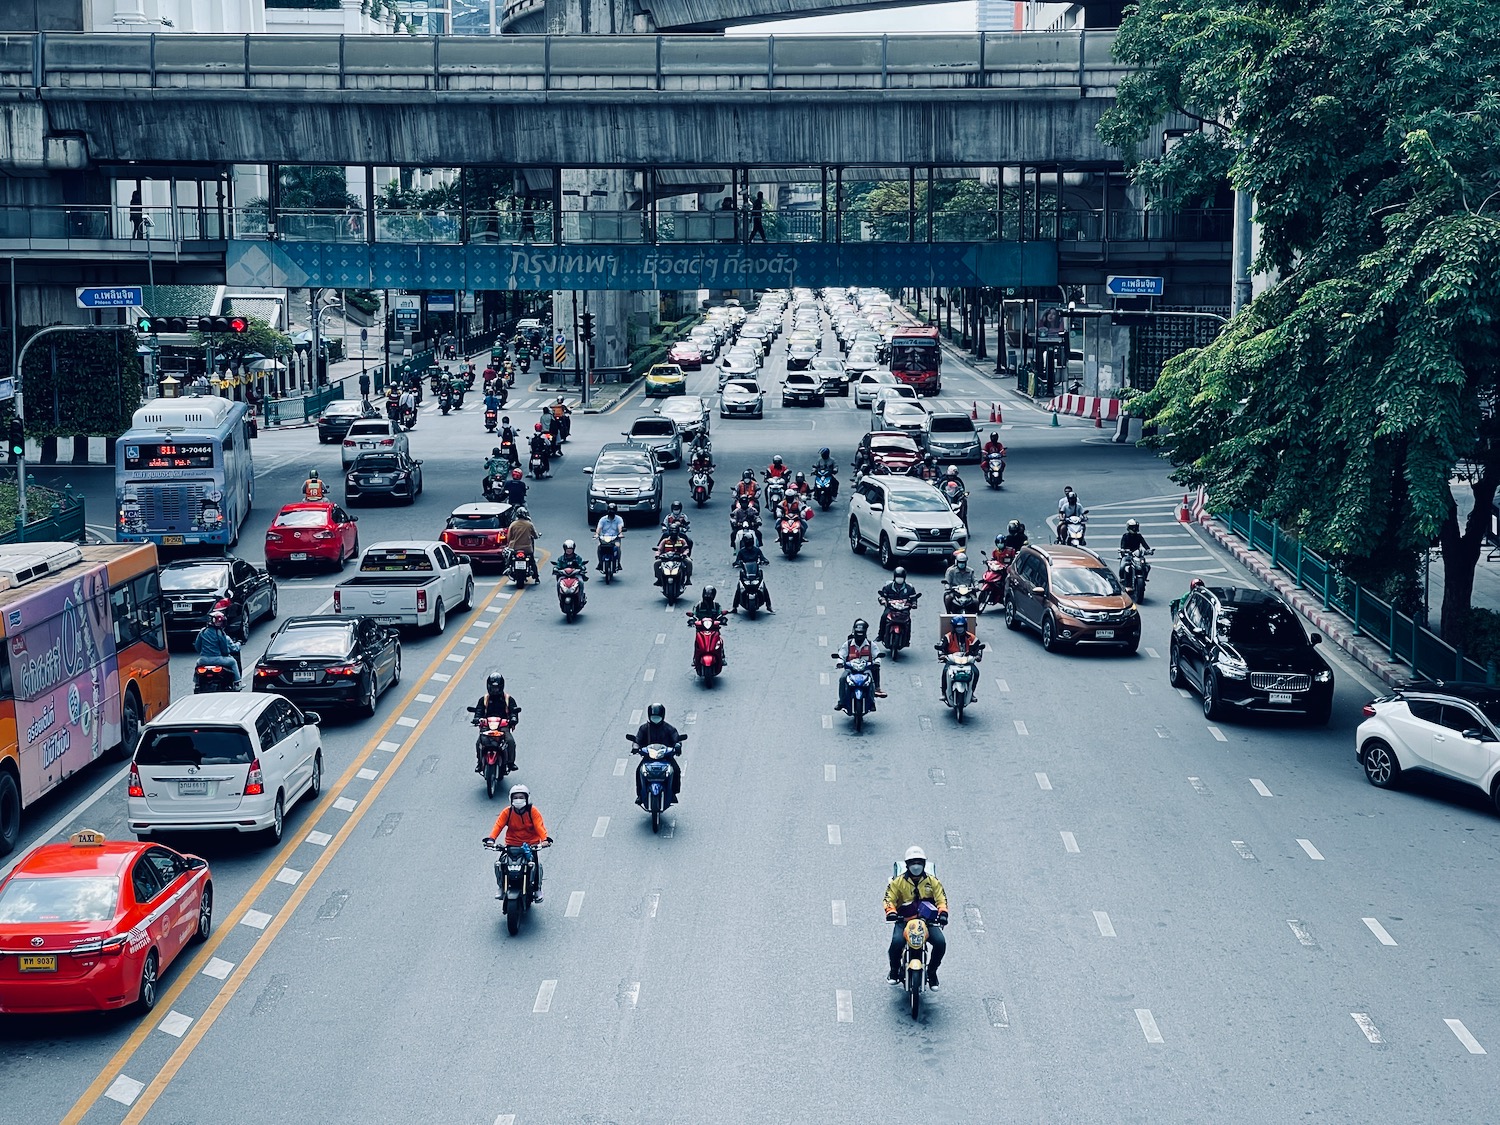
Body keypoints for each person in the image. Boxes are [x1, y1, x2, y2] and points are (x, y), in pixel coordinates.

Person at [884, 846, 948, 987]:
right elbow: (889, 899)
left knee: (940, 943)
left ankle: (932, 972)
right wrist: (891, 912)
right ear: (907, 865)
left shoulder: (933, 882)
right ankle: (894, 970)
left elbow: (941, 899)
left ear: (924, 864)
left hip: (928, 922)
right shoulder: (898, 882)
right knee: (896, 944)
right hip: (904, 921)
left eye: (919, 862)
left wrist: (943, 913)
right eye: (913, 863)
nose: (916, 866)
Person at [484, 784, 549, 903]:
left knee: (534, 865)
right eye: (516, 797)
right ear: (511, 799)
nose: (518, 800)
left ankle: (537, 889)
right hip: (511, 845)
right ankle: (501, 887)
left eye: (521, 797)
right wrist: (491, 839)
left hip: (530, 846)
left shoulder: (533, 811)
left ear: (527, 798)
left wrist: (545, 840)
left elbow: (539, 826)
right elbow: (498, 825)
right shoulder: (507, 812)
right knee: (500, 864)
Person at [633, 703, 684, 803]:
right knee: (638, 771)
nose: (655, 719)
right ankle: (640, 795)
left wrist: (677, 746)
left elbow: (676, 739)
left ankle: (673, 793)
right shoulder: (644, 728)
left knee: (676, 770)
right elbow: (637, 740)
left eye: (657, 717)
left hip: (666, 757)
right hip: (649, 757)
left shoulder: (669, 728)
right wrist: (635, 748)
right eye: (653, 717)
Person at [471, 671, 521, 773]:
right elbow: (479, 711)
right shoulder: (484, 699)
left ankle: (511, 763)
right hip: (487, 726)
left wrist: (513, 719)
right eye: (493, 687)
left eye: (496, 688)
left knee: (510, 741)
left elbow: (513, 711)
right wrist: (477, 718)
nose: (495, 690)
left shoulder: (508, 699)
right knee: (479, 742)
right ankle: (480, 763)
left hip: (503, 726)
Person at [833, 619, 883, 713]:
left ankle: (872, 702)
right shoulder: (847, 644)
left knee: (871, 681)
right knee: (842, 679)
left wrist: (876, 663)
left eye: (861, 633)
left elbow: (877, 655)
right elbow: (842, 654)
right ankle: (842, 702)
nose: (859, 636)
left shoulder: (871, 645)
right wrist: (840, 662)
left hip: (865, 670)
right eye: (858, 633)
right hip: (851, 670)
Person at [935, 614, 983, 702]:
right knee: (945, 672)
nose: (959, 629)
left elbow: (978, 647)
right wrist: (942, 655)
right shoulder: (948, 637)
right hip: (952, 661)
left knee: (976, 672)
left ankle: (971, 693)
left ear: (965, 627)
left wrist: (978, 656)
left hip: (967, 661)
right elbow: (941, 647)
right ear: (954, 627)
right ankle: (943, 693)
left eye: (961, 627)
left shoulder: (971, 637)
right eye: (957, 627)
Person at [194, 610, 241, 687]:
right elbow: (224, 650)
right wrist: (226, 654)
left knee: (197, 665)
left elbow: (197, 646)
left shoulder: (202, 631)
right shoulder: (220, 633)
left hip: (203, 660)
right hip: (218, 659)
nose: (220, 623)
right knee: (233, 662)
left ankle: (197, 683)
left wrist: (203, 654)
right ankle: (237, 682)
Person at [876, 567, 920, 645]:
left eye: (901, 578)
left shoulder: (909, 588)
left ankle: (907, 640)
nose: (899, 580)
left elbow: (913, 598)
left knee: (908, 622)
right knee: (884, 617)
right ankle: (880, 635)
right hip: (891, 608)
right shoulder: (888, 587)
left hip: (904, 609)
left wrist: (914, 604)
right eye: (898, 578)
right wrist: (883, 601)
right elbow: (882, 596)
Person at [731, 534, 773, 613]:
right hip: (745, 573)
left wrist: (764, 561)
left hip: (756, 573)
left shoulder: (757, 550)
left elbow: (762, 557)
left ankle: (769, 606)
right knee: (739, 588)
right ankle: (734, 607)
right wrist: (737, 563)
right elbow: (737, 560)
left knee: (763, 587)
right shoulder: (741, 551)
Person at [654, 523, 694, 587]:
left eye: (675, 532)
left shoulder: (682, 541)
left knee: (689, 562)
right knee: (656, 563)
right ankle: (659, 579)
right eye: (672, 532)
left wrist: (684, 554)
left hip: (679, 558)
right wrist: (657, 555)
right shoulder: (665, 541)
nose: (673, 534)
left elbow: (686, 549)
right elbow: (659, 549)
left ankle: (688, 579)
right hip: (667, 558)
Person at [506, 506, 539, 582]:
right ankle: (536, 577)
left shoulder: (513, 524)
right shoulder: (529, 524)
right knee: (532, 562)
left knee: (509, 560)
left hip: (514, 548)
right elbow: (535, 535)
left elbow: (509, 537)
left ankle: (508, 569)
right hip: (527, 549)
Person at [1119, 518, 1153, 583]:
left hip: (1137, 555)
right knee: (1122, 566)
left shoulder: (1139, 536)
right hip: (1128, 555)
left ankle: (1144, 577)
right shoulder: (1125, 536)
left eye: (1135, 527)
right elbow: (1122, 545)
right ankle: (1122, 579)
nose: (1134, 528)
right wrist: (1123, 550)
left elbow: (1144, 544)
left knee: (1147, 566)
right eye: (1133, 527)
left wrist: (1149, 550)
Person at [594, 503, 626, 571]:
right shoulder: (603, 519)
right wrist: (597, 534)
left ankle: (618, 563)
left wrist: (620, 533)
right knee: (599, 547)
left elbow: (620, 527)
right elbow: (599, 528)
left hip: (615, 537)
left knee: (617, 547)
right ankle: (600, 563)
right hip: (604, 537)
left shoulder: (619, 519)